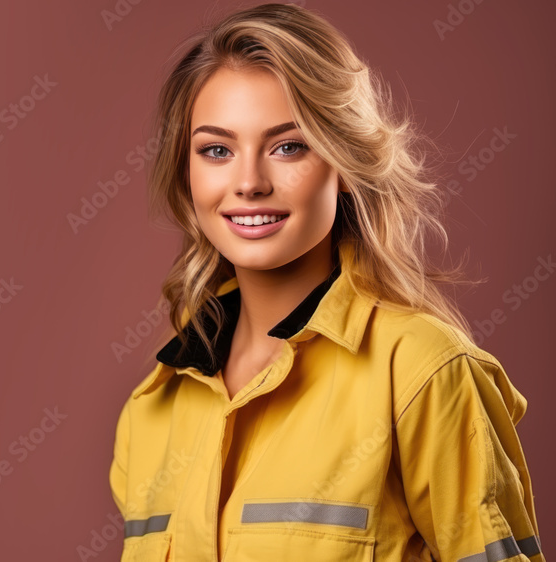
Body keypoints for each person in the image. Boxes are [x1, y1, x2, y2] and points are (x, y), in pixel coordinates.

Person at [109, 3, 545, 561]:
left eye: (289, 146)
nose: (248, 182)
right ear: (187, 171)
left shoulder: (422, 373)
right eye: (217, 150)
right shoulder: (150, 413)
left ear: (343, 162)